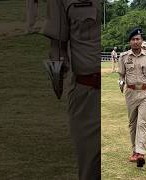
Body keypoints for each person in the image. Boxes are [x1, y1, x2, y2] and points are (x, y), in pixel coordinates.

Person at [42, 0, 100, 179]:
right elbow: (57, 46)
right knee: (90, 168)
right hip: (87, 94)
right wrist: (57, 72)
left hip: (118, 93)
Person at [118, 28, 146, 167]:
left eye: (138, 39)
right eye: (133, 39)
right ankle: (134, 151)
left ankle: (140, 152)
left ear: (142, 41)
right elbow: (121, 75)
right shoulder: (123, 57)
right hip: (130, 93)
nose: (135, 42)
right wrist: (121, 83)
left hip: (145, 93)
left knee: (142, 122)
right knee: (133, 123)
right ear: (130, 41)